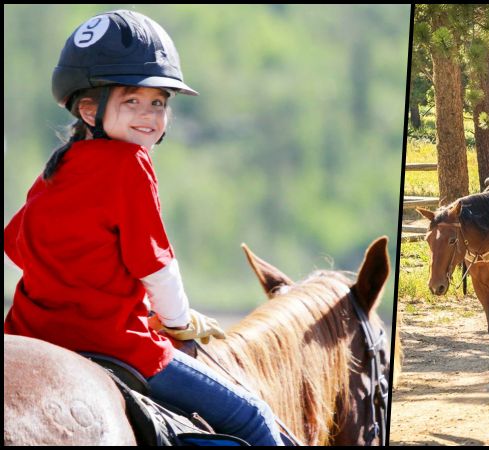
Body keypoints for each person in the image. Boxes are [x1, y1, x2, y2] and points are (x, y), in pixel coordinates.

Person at [3, 10, 283, 445]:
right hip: (119, 344)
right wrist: (177, 322)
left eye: (159, 103)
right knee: (255, 418)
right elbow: (155, 267)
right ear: (90, 108)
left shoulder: (57, 168)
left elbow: (17, 245)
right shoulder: (131, 164)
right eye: (132, 101)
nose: (149, 115)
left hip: (27, 332)